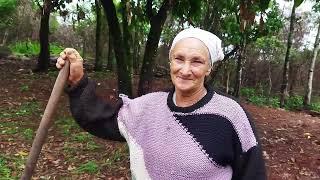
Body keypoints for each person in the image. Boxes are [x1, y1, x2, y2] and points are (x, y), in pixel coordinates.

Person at [56, 28, 266, 180]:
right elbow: (98, 118)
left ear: (209, 68)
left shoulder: (231, 115)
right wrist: (78, 81)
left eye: (197, 61)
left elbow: (252, 173)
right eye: (179, 59)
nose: (185, 69)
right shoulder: (147, 108)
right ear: (170, 61)